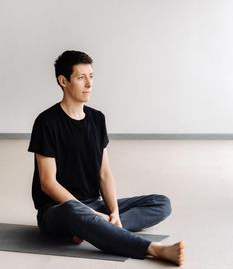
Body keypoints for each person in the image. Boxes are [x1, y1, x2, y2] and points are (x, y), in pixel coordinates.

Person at [28, 50, 184, 266]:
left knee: (161, 203)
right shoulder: (46, 122)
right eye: (81, 77)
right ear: (63, 81)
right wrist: (89, 213)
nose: (89, 84)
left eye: (91, 76)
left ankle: (94, 227)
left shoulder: (97, 119)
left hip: (94, 205)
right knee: (75, 211)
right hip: (59, 211)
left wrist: (113, 212)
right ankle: (153, 249)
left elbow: (104, 173)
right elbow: (47, 183)